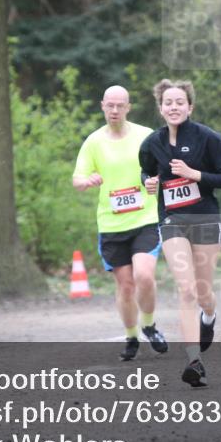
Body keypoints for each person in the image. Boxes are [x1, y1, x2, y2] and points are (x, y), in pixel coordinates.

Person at [140, 79, 221, 388]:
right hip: (172, 220)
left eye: (180, 102)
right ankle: (194, 361)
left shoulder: (209, 139)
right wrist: (149, 182)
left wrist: (196, 175)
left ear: (190, 106)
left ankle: (209, 317)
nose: (174, 107)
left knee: (204, 292)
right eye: (168, 102)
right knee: (187, 290)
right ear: (160, 107)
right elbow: (146, 171)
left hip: (205, 219)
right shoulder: (152, 143)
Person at [73, 86, 168, 361]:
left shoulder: (145, 136)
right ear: (102, 106)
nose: (114, 111)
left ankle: (149, 324)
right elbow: (77, 178)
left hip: (145, 218)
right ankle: (131, 336)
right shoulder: (93, 142)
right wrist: (87, 181)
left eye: (119, 106)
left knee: (144, 276)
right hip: (112, 225)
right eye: (109, 106)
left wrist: (155, 181)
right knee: (125, 285)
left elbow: (164, 170)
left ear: (128, 107)